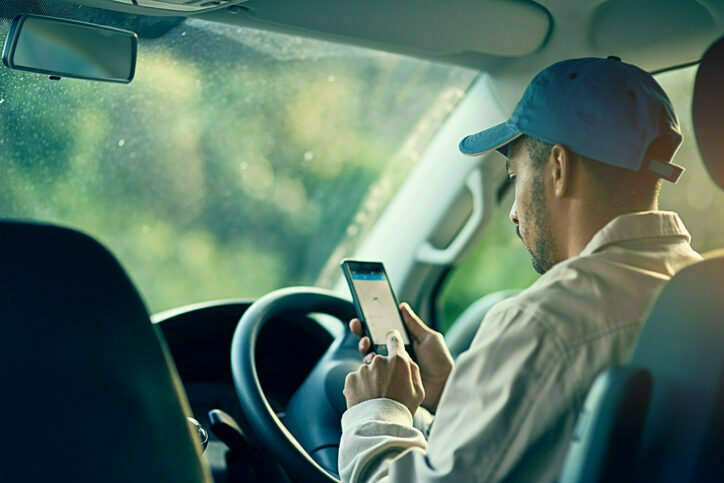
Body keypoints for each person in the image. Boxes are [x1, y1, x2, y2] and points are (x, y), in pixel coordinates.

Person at [338, 57, 703, 482]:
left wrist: (378, 411)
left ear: (559, 169)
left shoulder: (546, 322)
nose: (513, 213)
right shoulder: (701, 293)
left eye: (515, 176)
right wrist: (460, 394)